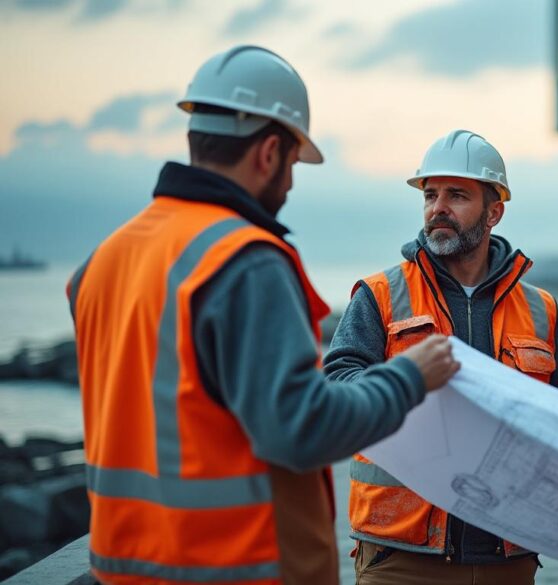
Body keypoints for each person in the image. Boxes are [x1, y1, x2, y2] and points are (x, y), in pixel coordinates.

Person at [67, 45, 458, 585]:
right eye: (294, 164)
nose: (291, 184)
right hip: (229, 565)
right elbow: (303, 428)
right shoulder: (244, 261)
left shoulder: (102, 261)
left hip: (120, 566)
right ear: (270, 152)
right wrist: (408, 378)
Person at [324, 129, 558, 584]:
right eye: (430, 194)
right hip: (401, 558)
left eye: (457, 195)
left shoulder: (541, 309)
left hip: (507, 556)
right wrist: (407, 381)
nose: (438, 208)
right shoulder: (381, 294)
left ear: (494, 211)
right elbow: (337, 385)